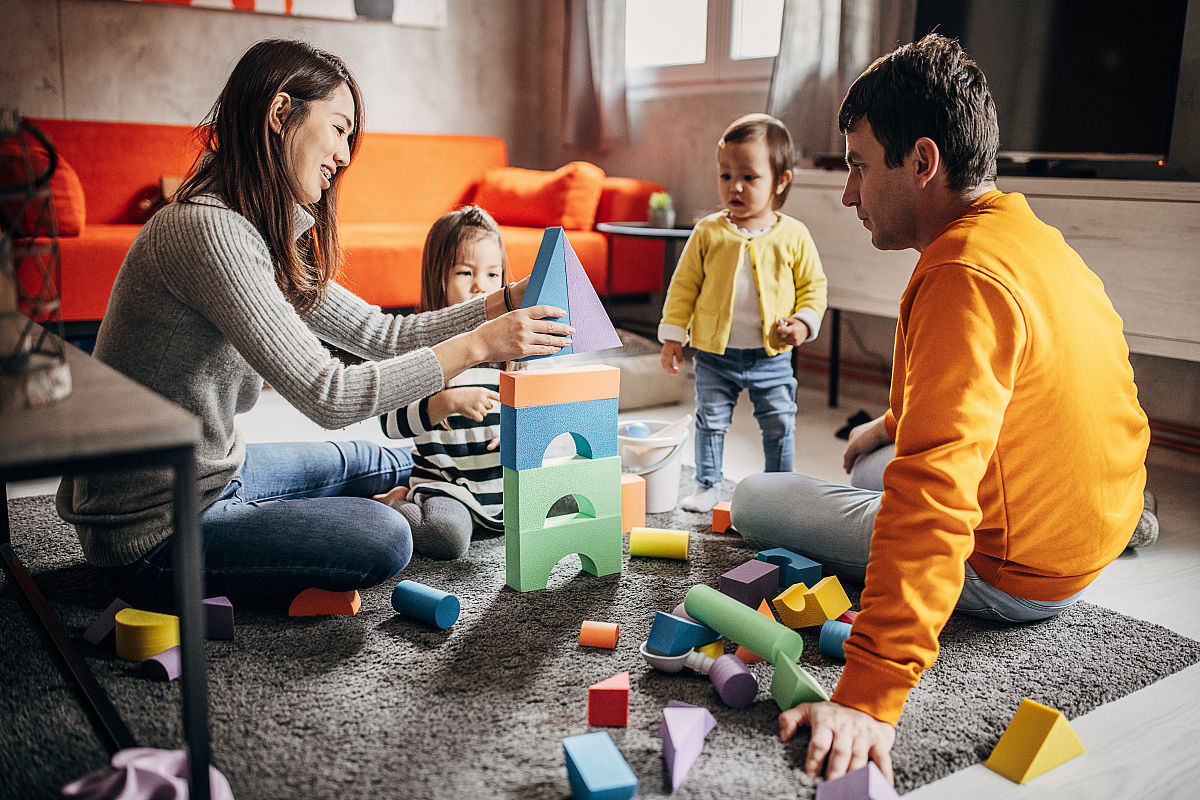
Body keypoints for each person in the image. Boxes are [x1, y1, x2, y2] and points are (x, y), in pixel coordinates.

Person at [730, 34, 1151, 784]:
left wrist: (870, 694)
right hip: (1094, 528)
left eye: (860, 166)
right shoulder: (1025, 235)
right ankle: (1127, 523)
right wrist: (896, 422)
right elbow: (1042, 382)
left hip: (1017, 575)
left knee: (755, 498)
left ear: (922, 161)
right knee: (872, 462)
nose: (850, 194)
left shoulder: (960, 274)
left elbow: (933, 495)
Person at [55, 39, 571, 607]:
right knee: (386, 535)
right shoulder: (209, 231)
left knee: (388, 460)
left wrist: (504, 300)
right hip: (154, 533)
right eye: (339, 129)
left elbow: (382, 335)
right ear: (280, 113)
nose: (345, 156)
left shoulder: (255, 231)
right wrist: (477, 346)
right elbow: (330, 395)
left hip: (214, 471)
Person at [658, 113, 828, 513]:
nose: (734, 186)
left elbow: (814, 287)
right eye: (726, 175)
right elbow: (683, 287)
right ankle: (707, 484)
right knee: (711, 421)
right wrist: (673, 336)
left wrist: (804, 323)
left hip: (771, 356)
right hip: (715, 355)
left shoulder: (794, 235)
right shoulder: (708, 232)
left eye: (749, 177)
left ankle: (780, 487)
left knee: (779, 422)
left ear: (781, 180)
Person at [374, 206, 509, 560]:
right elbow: (391, 424)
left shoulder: (511, 348)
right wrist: (447, 403)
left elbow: (538, 407)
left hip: (504, 487)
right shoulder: (419, 350)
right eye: (466, 272)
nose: (481, 286)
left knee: (575, 499)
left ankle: (485, 521)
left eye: (493, 274)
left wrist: (523, 428)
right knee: (445, 538)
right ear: (439, 278)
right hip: (447, 488)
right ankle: (398, 503)